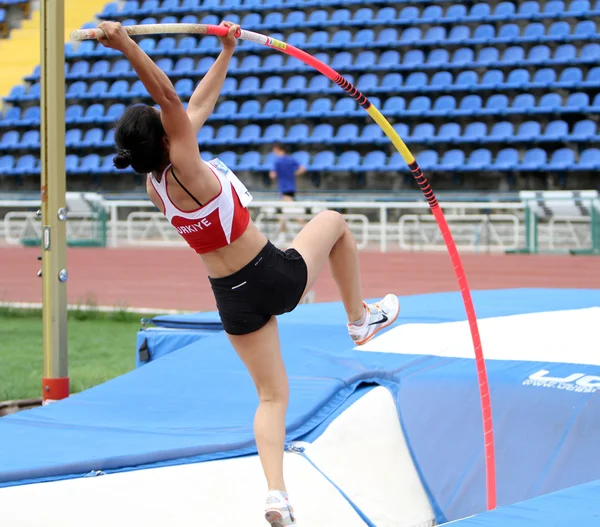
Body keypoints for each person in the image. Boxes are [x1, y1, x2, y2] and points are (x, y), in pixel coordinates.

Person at [96, 20, 400, 527]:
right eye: (162, 117)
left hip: (231, 300)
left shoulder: (157, 183)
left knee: (272, 396)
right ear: (166, 133)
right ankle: (359, 319)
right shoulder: (188, 163)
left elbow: (196, 105)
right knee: (334, 223)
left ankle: (277, 495)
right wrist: (128, 45)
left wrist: (227, 52)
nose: (170, 116)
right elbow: (170, 95)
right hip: (272, 274)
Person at [269, 143, 306, 244]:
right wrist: (293, 174)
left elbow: (272, 174)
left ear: (277, 149)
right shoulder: (291, 159)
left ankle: (306, 227)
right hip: (291, 188)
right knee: (283, 213)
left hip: (284, 189)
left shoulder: (277, 161)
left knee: (290, 212)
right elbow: (302, 169)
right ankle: (282, 235)